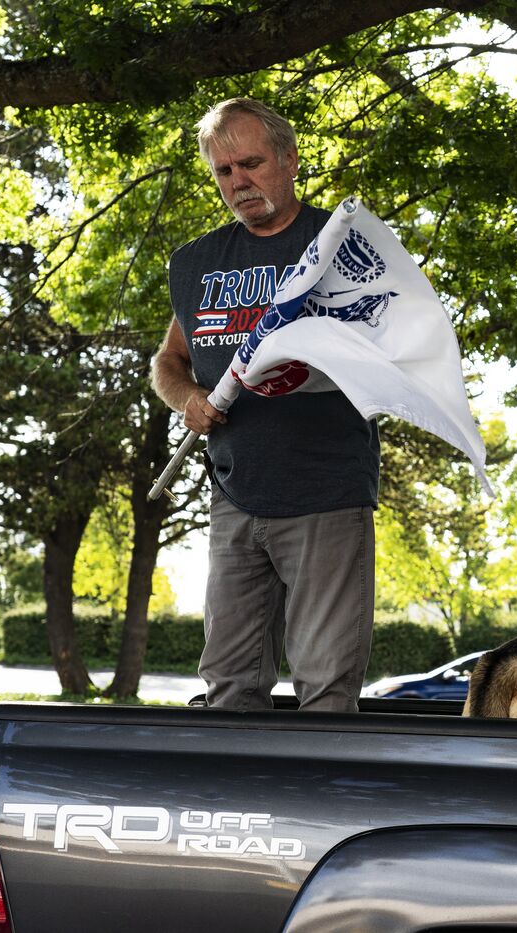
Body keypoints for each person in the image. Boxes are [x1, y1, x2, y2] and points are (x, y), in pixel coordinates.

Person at [151, 98, 379, 713]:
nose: (238, 182)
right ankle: (239, 811)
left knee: (326, 691)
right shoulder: (199, 263)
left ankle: (321, 810)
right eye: (224, 171)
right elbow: (168, 362)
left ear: (289, 160)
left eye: (250, 163)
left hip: (326, 495)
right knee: (228, 688)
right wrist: (189, 398)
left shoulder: (344, 246)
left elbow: (392, 352)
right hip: (234, 495)